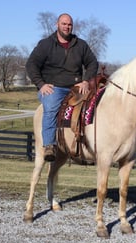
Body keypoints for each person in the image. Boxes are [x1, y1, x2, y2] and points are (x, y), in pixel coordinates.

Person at [26, 13, 98, 161]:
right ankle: (49, 145)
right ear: (57, 25)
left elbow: (92, 63)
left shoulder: (81, 44)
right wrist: (41, 84)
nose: (67, 27)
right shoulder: (46, 44)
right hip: (54, 88)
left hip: (76, 87)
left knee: (94, 104)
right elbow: (31, 64)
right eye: (64, 24)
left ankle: (87, 144)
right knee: (51, 106)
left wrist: (85, 81)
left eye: (69, 24)